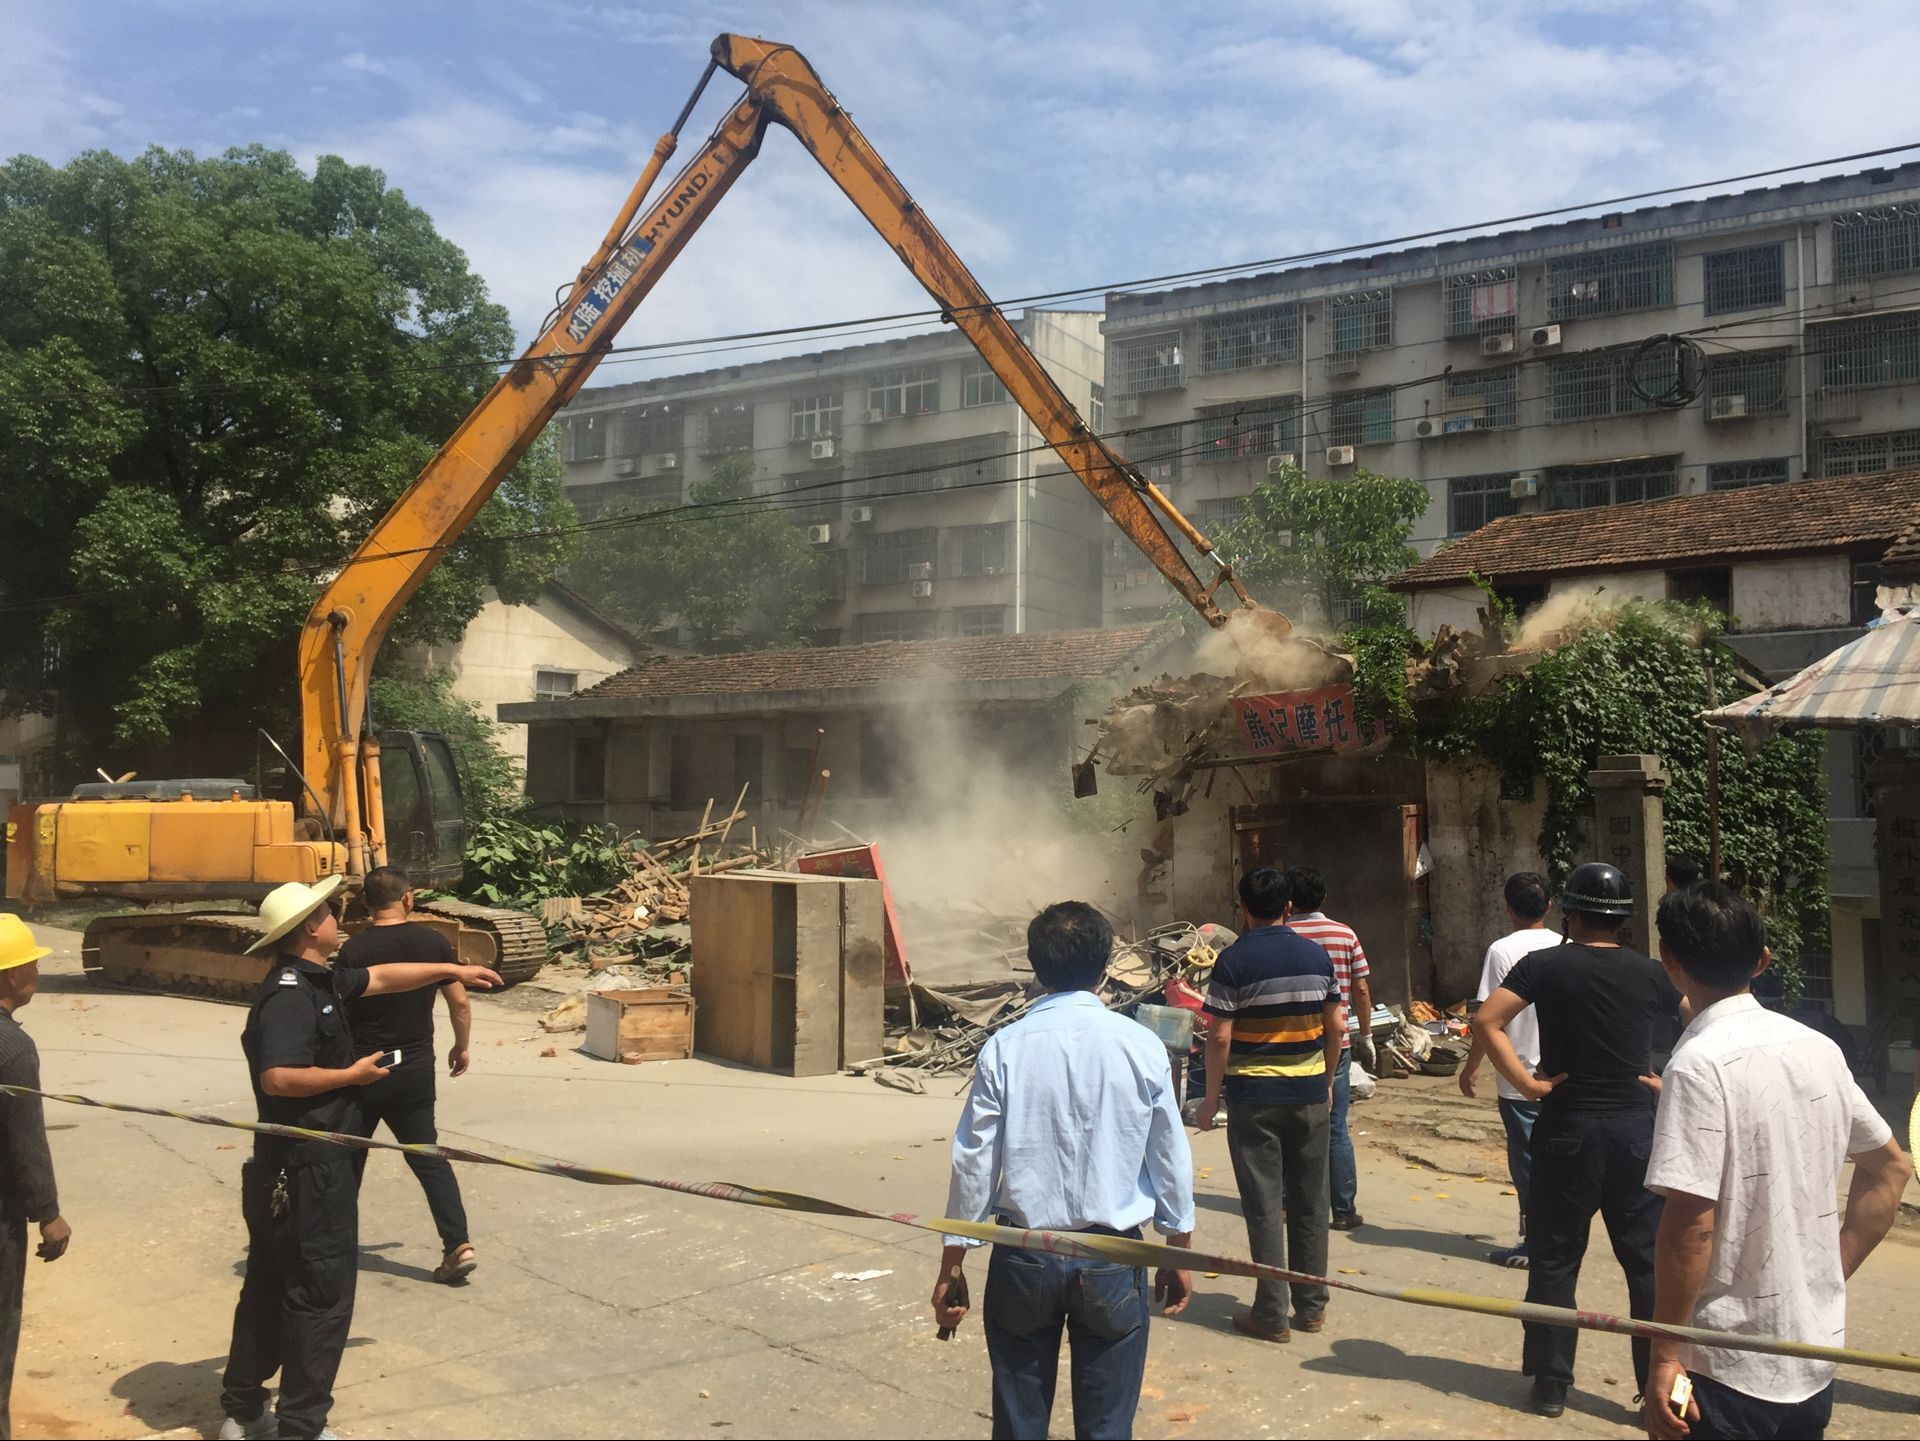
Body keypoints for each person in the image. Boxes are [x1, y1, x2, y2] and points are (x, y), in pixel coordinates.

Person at [220, 876, 501, 1441]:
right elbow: (279, 1077)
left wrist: (451, 970)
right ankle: (301, 1426)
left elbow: (386, 977)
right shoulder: (290, 995)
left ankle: (244, 1413)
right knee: (319, 1296)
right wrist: (350, 1076)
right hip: (306, 1166)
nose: (338, 919)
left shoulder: (320, 978)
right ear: (310, 928)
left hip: (297, 1163)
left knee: (271, 1285)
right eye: (328, 912)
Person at [1644, 883, 1911, 1441]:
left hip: (1727, 1363)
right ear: (1762, 960)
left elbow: (1693, 1227)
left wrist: (1665, 1351)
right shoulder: (1818, 1047)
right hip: (1810, 1352)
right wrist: (1824, 1276)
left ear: (1669, 959)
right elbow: (1890, 1167)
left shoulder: (1696, 1065)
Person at [933, 901, 1193, 1441]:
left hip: (1024, 1254)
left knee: (1019, 1422)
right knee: (1107, 1426)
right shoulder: (1141, 1045)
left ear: (1036, 967)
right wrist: (1177, 1249)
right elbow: (1169, 1154)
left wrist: (952, 1263)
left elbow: (974, 1161)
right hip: (1111, 1258)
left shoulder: (1004, 1047)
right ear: (1105, 966)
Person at [1472, 862, 1680, 1419]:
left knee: (1555, 1259)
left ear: (1570, 913)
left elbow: (1487, 1021)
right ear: (1623, 920)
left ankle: (1551, 1384)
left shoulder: (1543, 965)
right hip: (1636, 1133)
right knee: (1646, 1265)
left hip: (1566, 1129)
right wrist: (1671, 1082)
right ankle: (1654, 1388)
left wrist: (1527, 1085)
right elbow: (1701, 1019)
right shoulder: (1651, 973)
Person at [1198, 867, 1343, 1344]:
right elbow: (1336, 1027)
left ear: (1242, 908)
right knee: (1311, 1202)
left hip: (1253, 1100)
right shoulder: (1317, 957)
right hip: (1308, 1095)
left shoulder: (1232, 962)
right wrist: (1326, 1080)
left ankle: (1271, 1312)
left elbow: (1220, 1037)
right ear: (1288, 908)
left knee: (1263, 1205)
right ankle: (1312, 1306)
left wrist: (1211, 1097)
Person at [336, 866, 476, 1284]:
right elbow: (459, 1002)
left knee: (348, 1158)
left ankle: (333, 1246)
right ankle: (459, 1245)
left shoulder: (354, 950)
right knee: (428, 1157)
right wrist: (461, 1045)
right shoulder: (433, 943)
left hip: (364, 1069)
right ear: (408, 898)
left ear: (366, 903)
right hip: (413, 1067)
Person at [1458, 871, 1559, 1268]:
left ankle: (1536, 1243)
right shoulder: (1565, 945)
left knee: (1528, 1164)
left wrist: (1471, 1067)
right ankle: (1555, 1239)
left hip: (1518, 1079)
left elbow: (1486, 1020)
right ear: (1549, 905)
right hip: (1560, 1075)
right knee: (1557, 1162)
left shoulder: (1502, 951)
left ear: (1508, 909)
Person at [0, 917, 70, 1441]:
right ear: (9, 976)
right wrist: (48, 1215)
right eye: (31, 963)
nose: (37, 972)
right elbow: (26, 1142)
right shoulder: (13, 1050)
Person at [1285, 867, 1374, 1231]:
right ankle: (1343, 1210)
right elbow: (1362, 989)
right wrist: (1366, 1034)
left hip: (1291, 1044)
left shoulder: (1282, 935)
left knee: (1292, 1126)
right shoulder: (1344, 933)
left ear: (1289, 901)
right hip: (1337, 1043)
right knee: (1336, 1126)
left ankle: (1293, 1205)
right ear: (1323, 897)